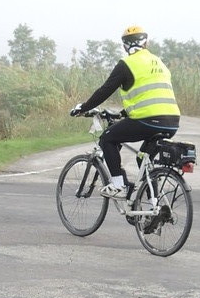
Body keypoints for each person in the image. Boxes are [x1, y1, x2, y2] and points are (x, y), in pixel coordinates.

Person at [68, 26, 180, 198]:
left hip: (147, 121)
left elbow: (105, 90)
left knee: (107, 138)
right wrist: (124, 113)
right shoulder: (159, 62)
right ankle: (153, 206)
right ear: (146, 43)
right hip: (172, 122)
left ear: (125, 46)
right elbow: (150, 95)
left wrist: (83, 108)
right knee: (143, 158)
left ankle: (118, 185)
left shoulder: (127, 64)